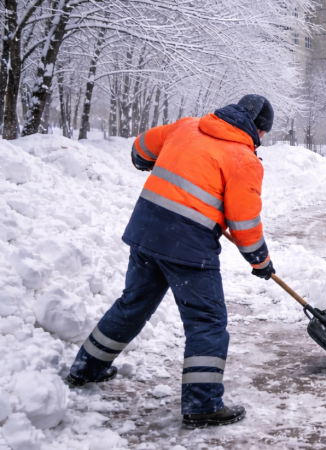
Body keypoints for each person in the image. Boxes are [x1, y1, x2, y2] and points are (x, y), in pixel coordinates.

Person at [64, 95, 277, 429]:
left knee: (132, 304)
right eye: (265, 134)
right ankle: (202, 405)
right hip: (189, 247)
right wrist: (260, 261)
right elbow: (245, 221)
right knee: (206, 321)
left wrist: (157, 161)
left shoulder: (186, 126)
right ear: (258, 130)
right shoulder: (245, 159)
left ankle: (84, 369)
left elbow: (140, 150)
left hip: (147, 230)